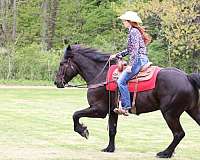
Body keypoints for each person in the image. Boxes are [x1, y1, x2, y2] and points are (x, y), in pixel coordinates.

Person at [110, 11, 151, 116]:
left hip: (139, 59)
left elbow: (135, 50)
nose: (123, 22)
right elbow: (129, 49)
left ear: (129, 21)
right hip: (141, 58)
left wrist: (130, 65)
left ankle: (126, 107)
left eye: (124, 20)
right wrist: (117, 55)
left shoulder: (133, 32)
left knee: (121, 81)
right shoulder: (133, 31)